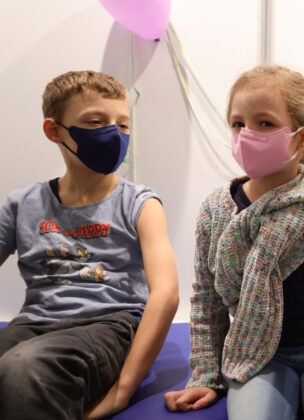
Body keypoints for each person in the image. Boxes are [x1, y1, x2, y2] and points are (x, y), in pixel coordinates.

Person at [163, 65, 304, 420]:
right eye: (237, 123)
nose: (246, 135)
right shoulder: (216, 212)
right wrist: (206, 374)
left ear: (302, 138)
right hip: (254, 354)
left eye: (264, 123)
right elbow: (206, 302)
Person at [0, 70, 179, 419]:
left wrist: (122, 391)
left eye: (123, 125)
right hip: (34, 323)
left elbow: (166, 293)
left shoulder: (140, 203)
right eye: (96, 121)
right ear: (54, 131)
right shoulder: (22, 204)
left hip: (108, 324)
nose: (113, 133)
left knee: (25, 370)